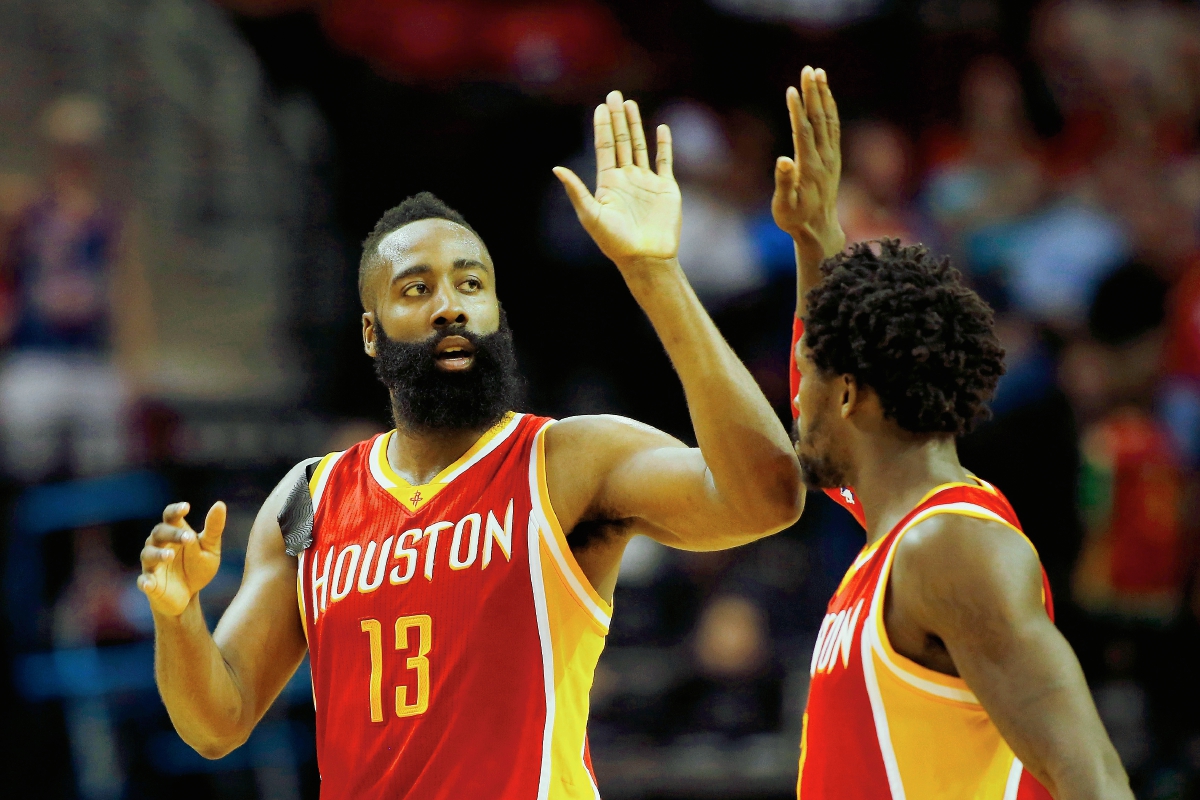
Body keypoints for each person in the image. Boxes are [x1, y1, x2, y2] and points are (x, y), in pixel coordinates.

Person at [136, 91, 804, 798]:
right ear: (372, 332)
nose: (449, 303)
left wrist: (654, 274)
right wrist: (177, 618)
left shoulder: (567, 461)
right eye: (416, 288)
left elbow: (767, 497)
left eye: (470, 283)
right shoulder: (308, 499)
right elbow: (218, 722)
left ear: (495, 312)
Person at [774, 67, 1132, 799]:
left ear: (847, 394)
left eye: (808, 374)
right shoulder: (897, 538)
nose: (793, 401)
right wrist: (817, 237)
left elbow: (1092, 780)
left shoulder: (953, 548)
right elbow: (823, 372)